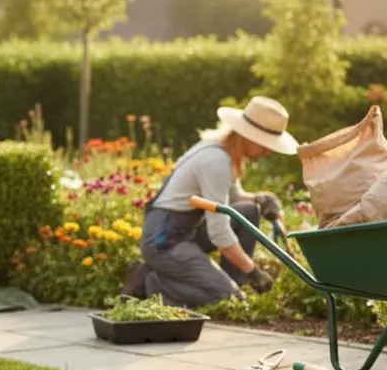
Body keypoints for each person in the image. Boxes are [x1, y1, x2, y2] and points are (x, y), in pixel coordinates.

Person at [123, 97, 298, 309]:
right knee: (230, 300)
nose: (268, 152)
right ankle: (152, 281)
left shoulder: (222, 151)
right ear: (249, 137)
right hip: (165, 241)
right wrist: (253, 271)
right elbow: (219, 232)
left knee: (248, 211)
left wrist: (260, 198)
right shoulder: (217, 162)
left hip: (185, 230)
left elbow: (233, 198)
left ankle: (231, 284)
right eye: (266, 145)